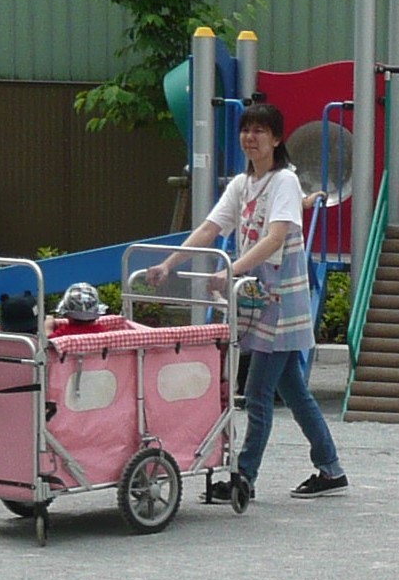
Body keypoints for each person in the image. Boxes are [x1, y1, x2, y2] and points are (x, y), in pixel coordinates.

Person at [148, 99, 347, 501]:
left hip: (279, 300)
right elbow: (209, 227)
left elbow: (275, 237)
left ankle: (244, 477)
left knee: (257, 393)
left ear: (276, 139)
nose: (250, 138)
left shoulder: (285, 182)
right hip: (255, 298)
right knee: (292, 389)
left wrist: (231, 270)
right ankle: (330, 469)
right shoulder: (241, 185)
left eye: (260, 131)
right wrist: (169, 264)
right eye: (246, 130)